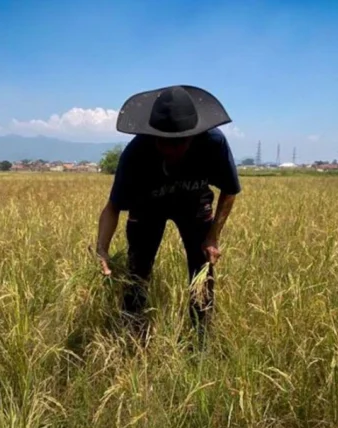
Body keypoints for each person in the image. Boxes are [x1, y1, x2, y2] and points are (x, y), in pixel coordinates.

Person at [95, 84, 241, 341]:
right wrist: (102, 250)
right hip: (148, 205)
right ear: (153, 135)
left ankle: (200, 340)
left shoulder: (213, 142)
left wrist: (213, 236)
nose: (172, 150)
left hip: (193, 204)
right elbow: (113, 206)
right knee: (137, 271)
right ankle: (132, 338)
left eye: (180, 143)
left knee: (202, 271)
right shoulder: (136, 152)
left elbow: (230, 190)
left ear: (193, 134)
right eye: (165, 143)